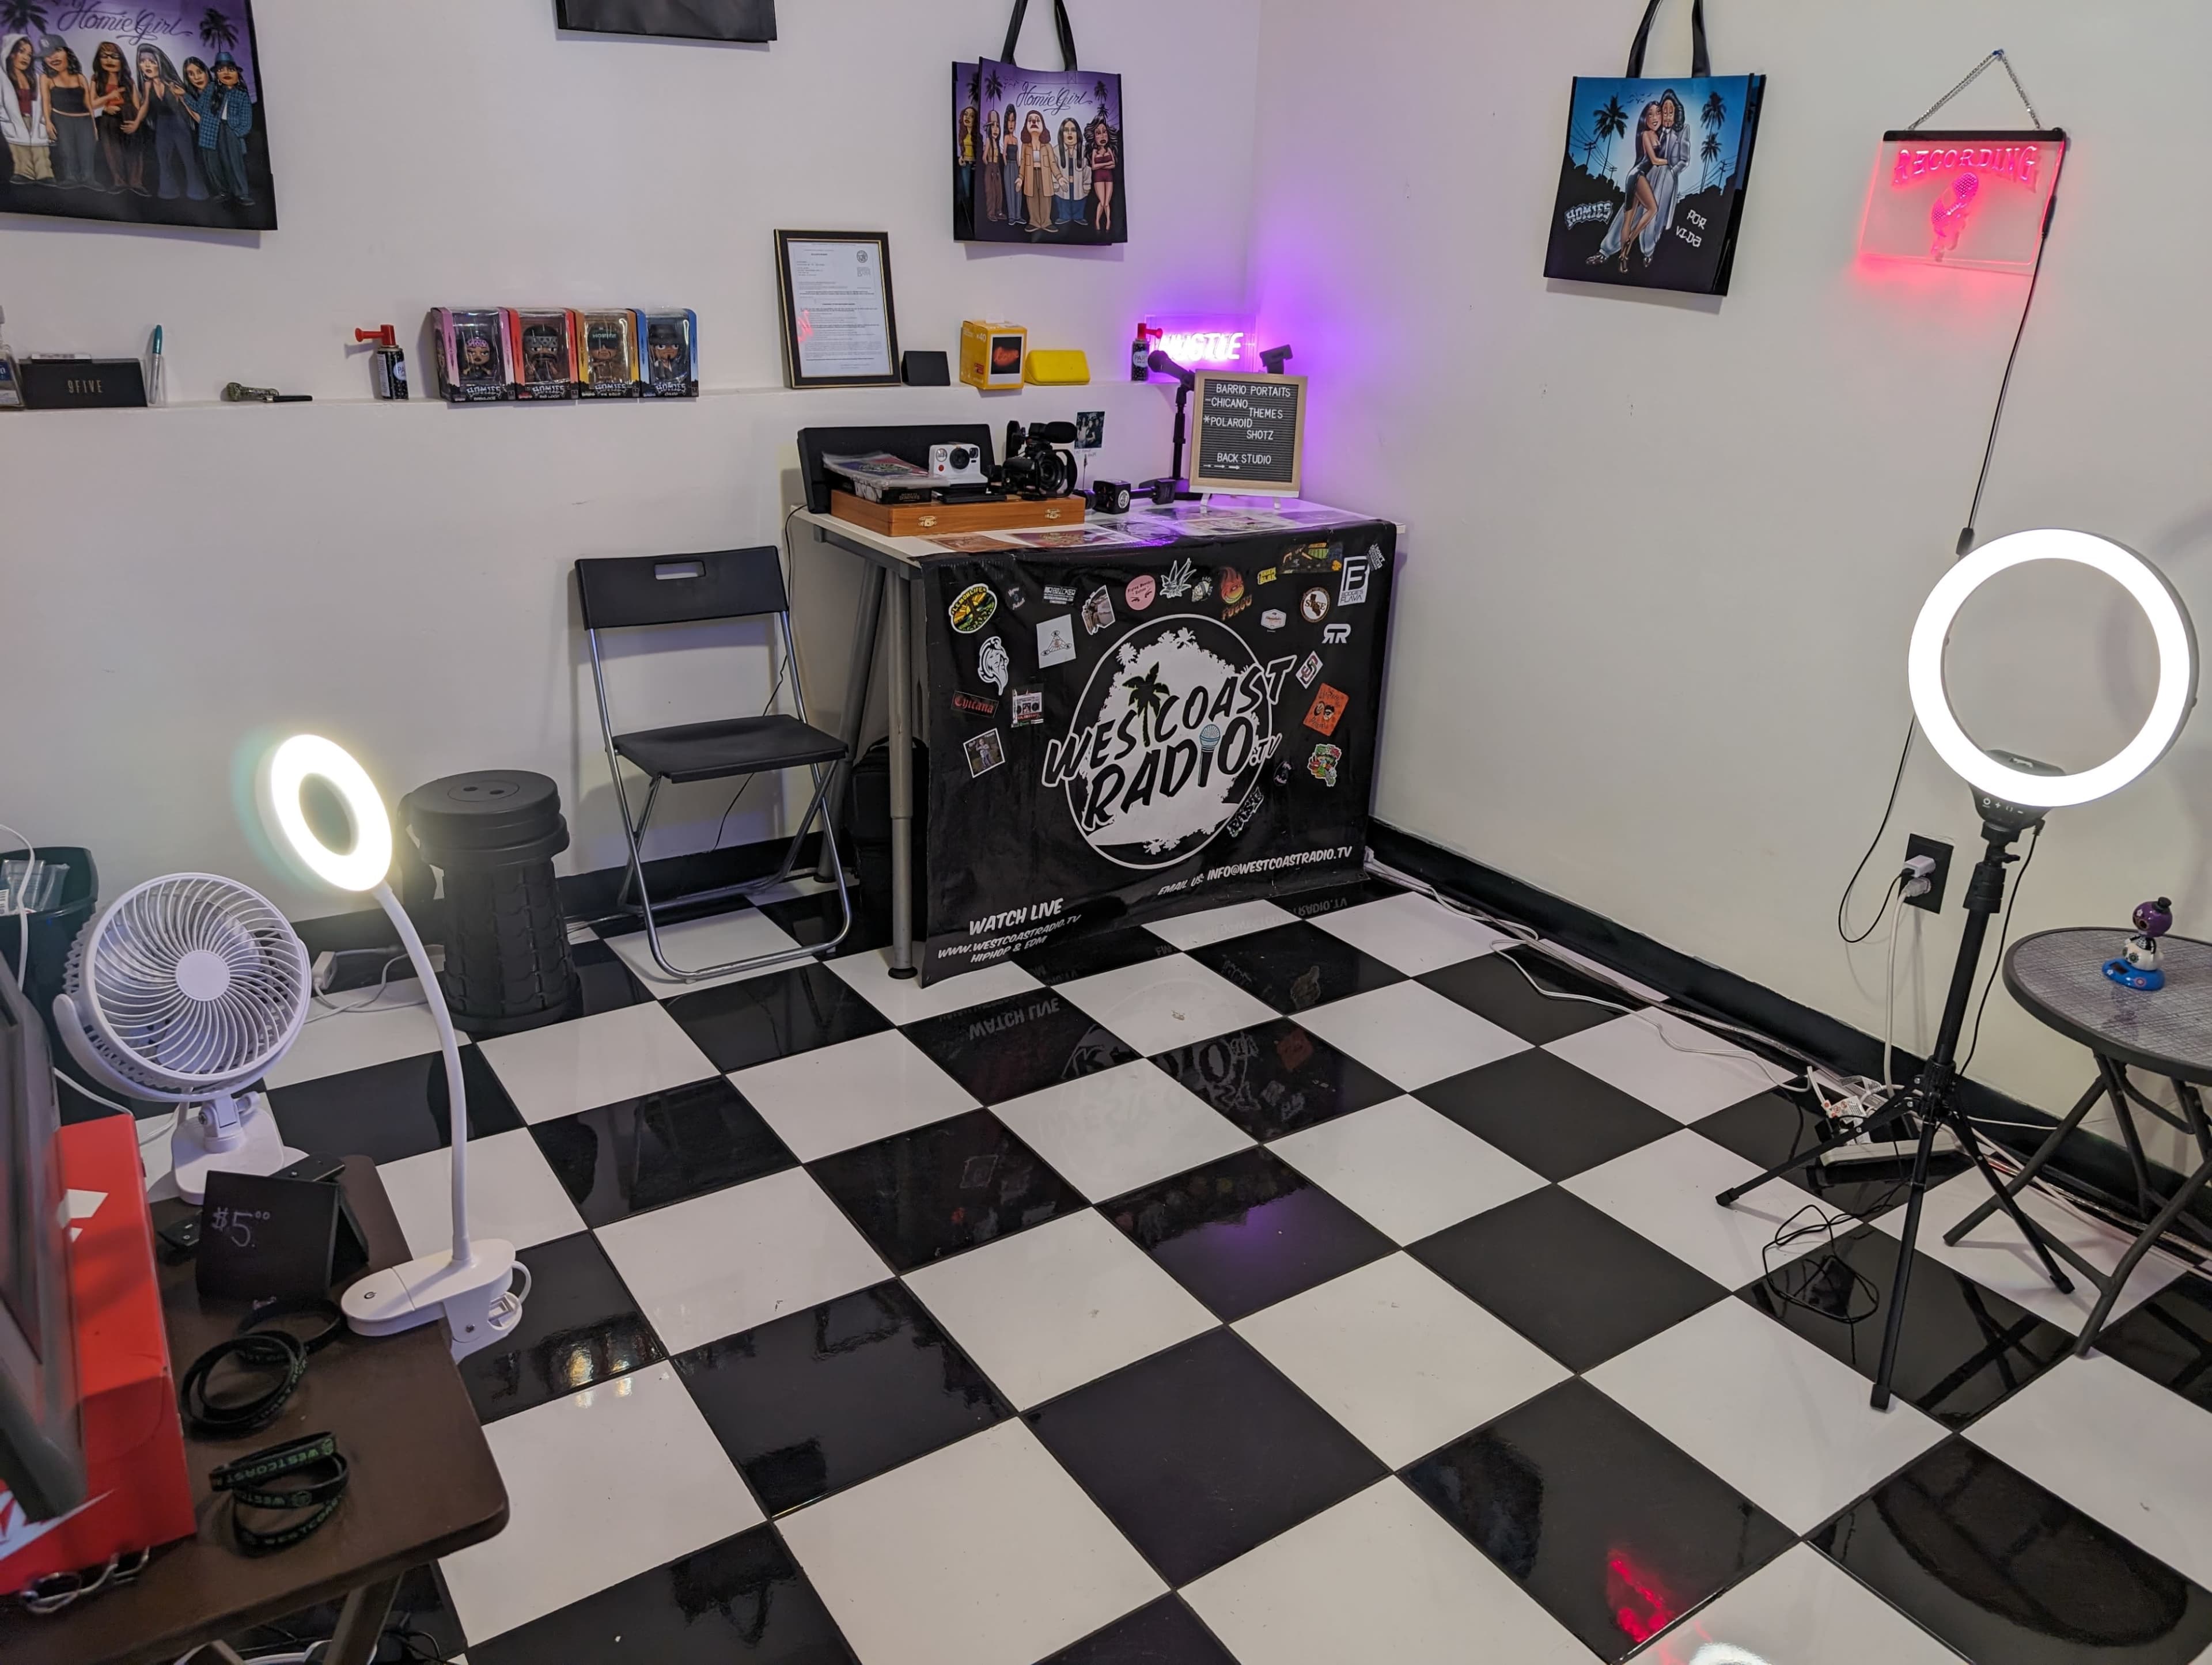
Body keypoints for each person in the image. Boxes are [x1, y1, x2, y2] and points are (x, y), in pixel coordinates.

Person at [1590, 100, 1661, 274]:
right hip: (1638, 176)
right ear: (1645, 118)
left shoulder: (1655, 134)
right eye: (1650, 114)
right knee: (1652, 209)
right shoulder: (1647, 134)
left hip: (1634, 177)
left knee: (1627, 221)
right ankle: (1632, 238)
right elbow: (1654, 160)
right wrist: (1671, 161)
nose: (1655, 117)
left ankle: (1623, 256)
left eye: (1658, 113)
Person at [133, 43, 203, 201]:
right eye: (142, 61)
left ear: (160, 62)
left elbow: (187, 106)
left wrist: (198, 118)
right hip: (162, 126)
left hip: (179, 124)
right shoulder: (147, 85)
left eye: (151, 61)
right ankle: (168, 192)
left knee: (188, 160)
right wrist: (136, 122)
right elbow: (145, 106)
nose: (147, 65)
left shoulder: (172, 84)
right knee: (163, 161)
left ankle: (197, 192)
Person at [1635, 89, 1692, 262]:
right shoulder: (1655, 131)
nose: (1667, 117)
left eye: (1670, 112)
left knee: (1658, 215)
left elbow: (1684, 160)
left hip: (1667, 179)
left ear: (1677, 114)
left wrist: (1671, 173)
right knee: (1640, 210)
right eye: (1664, 112)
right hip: (1651, 175)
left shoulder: (1683, 130)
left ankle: (1648, 250)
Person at [198, 50, 252, 205]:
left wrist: (237, 132)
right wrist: (184, 96)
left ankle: (242, 194)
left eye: (231, 69)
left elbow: (247, 119)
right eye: (221, 70)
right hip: (215, 129)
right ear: (217, 75)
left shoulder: (241, 94)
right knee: (215, 161)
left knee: (235, 162)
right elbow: (199, 107)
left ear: (237, 73)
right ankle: (223, 191)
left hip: (231, 130)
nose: (226, 73)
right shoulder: (212, 90)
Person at [89, 40, 144, 195]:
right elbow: (91, 104)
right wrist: (108, 99)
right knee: (113, 152)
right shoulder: (96, 79)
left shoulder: (128, 81)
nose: (109, 60)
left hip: (129, 118)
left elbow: (137, 105)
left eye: (114, 57)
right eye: (104, 56)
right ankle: (119, 182)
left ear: (121, 60)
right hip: (109, 120)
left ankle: (136, 182)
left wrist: (134, 120)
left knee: (134, 151)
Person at [1, 36, 52, 185]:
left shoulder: (34, 77)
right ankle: (24, 173)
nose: (26, 58)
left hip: (34, 119)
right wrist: (5, 120)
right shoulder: (3, 78)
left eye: (29, 55)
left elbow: (42, 101)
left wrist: (44, 121)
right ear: (11, 53)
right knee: (20, 148)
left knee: (40, 148)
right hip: (15, 120)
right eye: (22, 52)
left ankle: (45, 174)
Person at [1050, 116, 1089, 229]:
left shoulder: (1084, 151)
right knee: (1063, 201)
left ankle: (1079, 217)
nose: (1070, 133)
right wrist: (1055, 184)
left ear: (1078, 134)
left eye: (1073, 130)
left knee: (1079, 201)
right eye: (1066, 130)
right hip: (1063, 186)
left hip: (1078, 185)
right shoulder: (1056, 151)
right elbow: (1053, 169)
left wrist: (1087, 184)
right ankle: (1064, 216)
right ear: (1061, 134)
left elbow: (1087, 170)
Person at [1017, 108, 1052, 232]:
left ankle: (1046, 222)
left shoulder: (1047, 146)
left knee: (1046, 198)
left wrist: (1059, 178)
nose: (1034, 122)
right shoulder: (1025, 146)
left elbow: (1053, 163)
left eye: (1038, 120)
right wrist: (1020, 178)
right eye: (1030, 120)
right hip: (1030, 175)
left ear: (1043, 125)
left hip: (1045, 175)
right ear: (1026, 125)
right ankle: (1034, 222)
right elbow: (1023, 162)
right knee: (1031, 198)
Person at [1088, 115, 1116, 233]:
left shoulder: (1109, 150)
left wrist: (1102, 165)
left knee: (1107, 203)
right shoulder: (1095, 151)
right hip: (1099, 178)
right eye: (1098, 133)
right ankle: (1097, 222)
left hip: (1109, 177)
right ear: (1094, 136)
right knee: (1102, 201)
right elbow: (1094, 167)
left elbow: (1113, 164)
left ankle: (1108, 222)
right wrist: (1106, 164)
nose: (1102, 136)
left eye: (1105, 132)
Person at [980, 108, 1006, 222]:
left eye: (998, 126)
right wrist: (989, 167)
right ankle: (991, 213)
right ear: (989, 129)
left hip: (997, 168)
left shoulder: (997, 143)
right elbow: (984, 157)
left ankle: (999, 211)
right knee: (991, 192)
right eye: (993, 126)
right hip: (990, 167)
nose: (996, 129)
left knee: (999, 191)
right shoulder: (988, 141)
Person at [955, 103, 976, 227]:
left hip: (975, 165)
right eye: (966, 115)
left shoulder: (976, 136)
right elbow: (962, 150)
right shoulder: (962, 134)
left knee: (973, 190)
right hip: (965, 164)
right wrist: (961, 159)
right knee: (966, 191)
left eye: (972, 116)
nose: (968, 117)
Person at [1001, 101, 1021, 227]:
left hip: (1016, 167)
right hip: (1008, 166)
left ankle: (1018, 216)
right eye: (1009, 121)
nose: (1011, 124)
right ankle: (1012, 217)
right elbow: (1004, 154)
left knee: (1017, 191)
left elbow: (1018, 155)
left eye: (1013, 121)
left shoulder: (1016, 140)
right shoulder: (1007, 138)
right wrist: (1006, 165)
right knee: (1010, 191)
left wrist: (1019, 169)